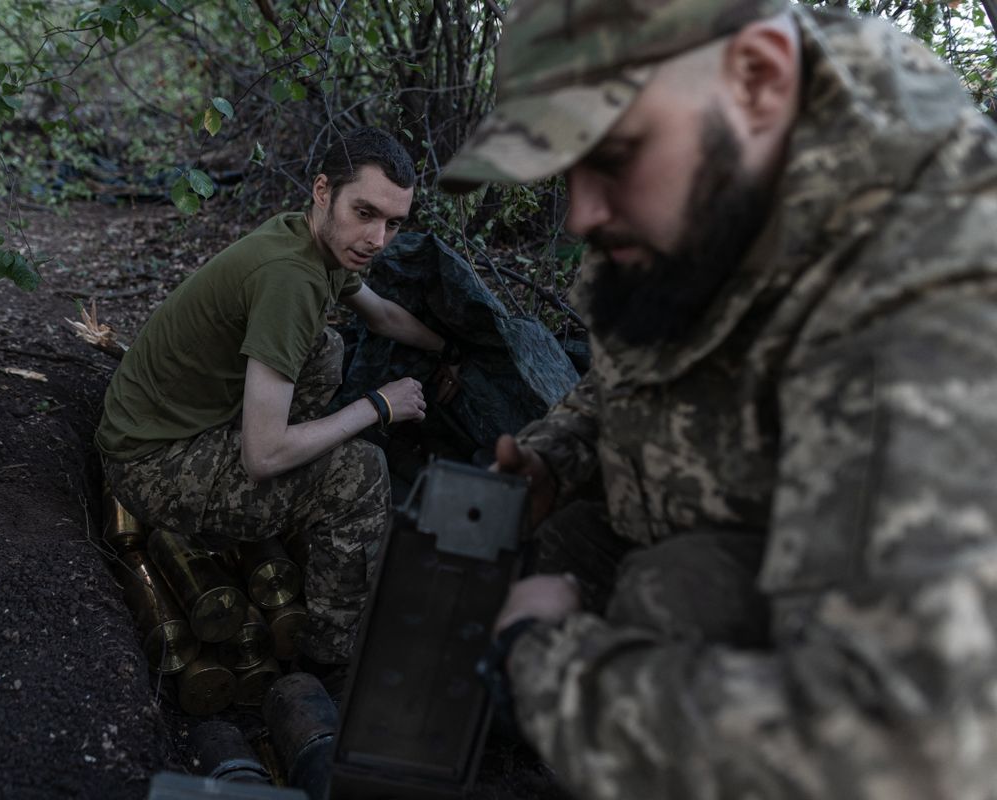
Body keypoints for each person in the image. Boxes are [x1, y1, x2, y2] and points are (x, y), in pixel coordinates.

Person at [440, 0, 997, 796]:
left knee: (673, 593)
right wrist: (557, 459)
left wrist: (548, 662)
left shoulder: (919, 284)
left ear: (761, 77)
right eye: (566, 167)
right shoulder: (721, 175)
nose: (581, 214)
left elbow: (905, 751)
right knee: (538, 553)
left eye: (617, 155)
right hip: (705, 526)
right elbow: (633, 365)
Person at [98, 127, 459, 667]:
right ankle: (327, 657)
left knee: (325, 348)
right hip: (150, 464)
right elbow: (261, 455)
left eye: (393, 223)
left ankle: (282, 510)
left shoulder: (311, 240)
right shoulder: (290, 278)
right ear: (322, 191)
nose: (378, 239)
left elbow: (381, 315)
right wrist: (378, 406)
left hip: (166, 427)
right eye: (365, 213)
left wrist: (448, 350)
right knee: (361, 474)